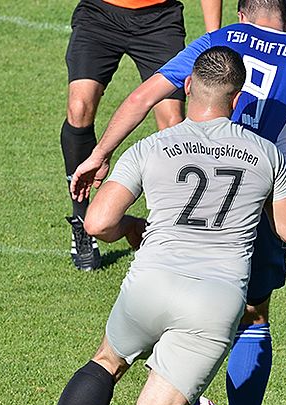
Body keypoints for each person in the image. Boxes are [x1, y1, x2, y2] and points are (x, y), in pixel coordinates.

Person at [0, 47, 286, 405]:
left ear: (187, 88)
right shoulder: (265, 153)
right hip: (216, 301)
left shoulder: (152, 147)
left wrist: (130, 228)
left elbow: (97, 223)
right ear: (237, 98)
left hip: (151, 283)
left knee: (107, 363)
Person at [71, 0, 286, 405]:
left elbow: (144, 96)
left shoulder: (219, 43)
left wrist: (100, 154)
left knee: (168, 305)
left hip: (192, 187)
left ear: (242, 15)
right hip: (259, 200)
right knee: (253, 316)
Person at [61, 0, 224, 271]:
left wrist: (214, 39)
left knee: (173, 123)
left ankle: (176, 231)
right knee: (79, 108)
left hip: (160, 20)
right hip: (99, 15)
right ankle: (82, 220)